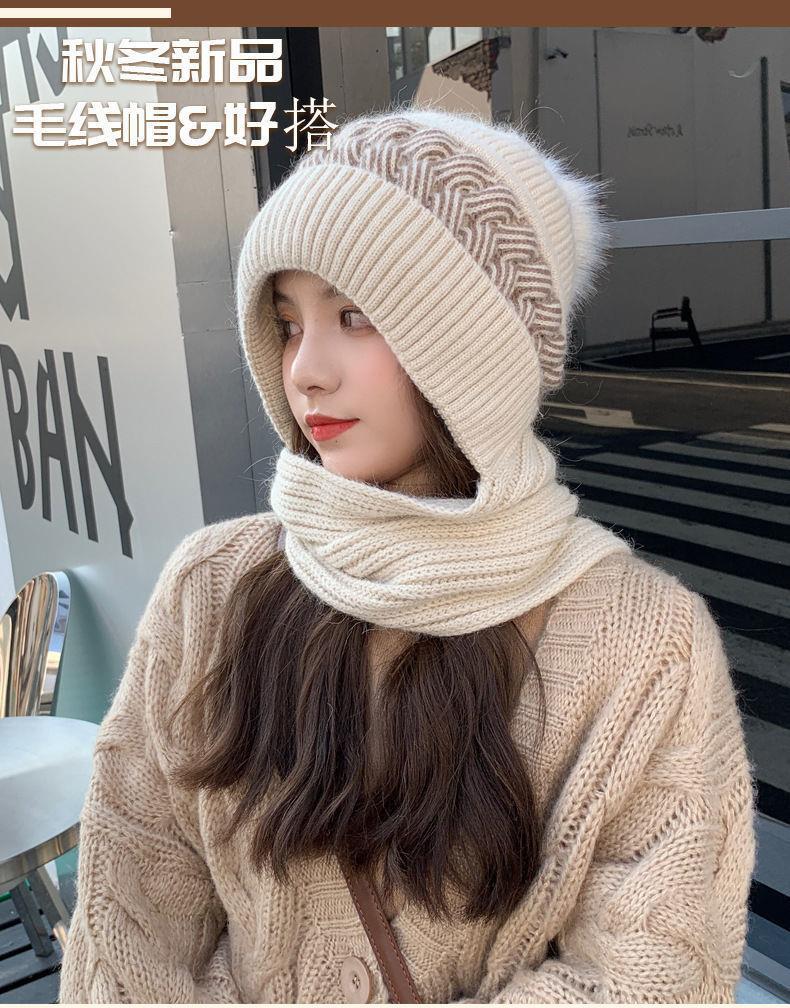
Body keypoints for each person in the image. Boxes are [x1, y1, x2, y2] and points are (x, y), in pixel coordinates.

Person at [59, 106, 757, 1004]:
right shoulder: (214, 586)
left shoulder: (644, 638)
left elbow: (650, 973)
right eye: (288, 321)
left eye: (355, 316)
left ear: (474, 348)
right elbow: (129, 912)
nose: (305, 369)